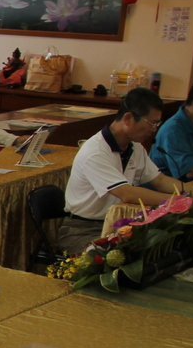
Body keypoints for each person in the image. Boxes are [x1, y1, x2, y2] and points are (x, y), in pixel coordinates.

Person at [59, 88, 183, 256]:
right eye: (152, 123)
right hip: (83, 229)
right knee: (123, 257)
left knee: (166, 245)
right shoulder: (95, 151)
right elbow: (127, 194)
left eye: (157, 124)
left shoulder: (135, 147)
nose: (154, 129)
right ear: (128, 118)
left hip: (119, 224)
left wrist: (192, 192)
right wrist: (176, 201)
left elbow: (160, 181)